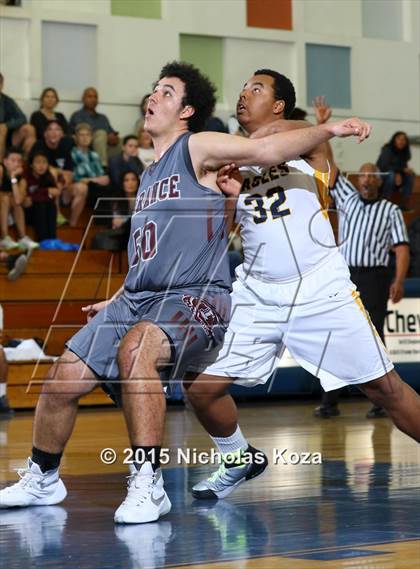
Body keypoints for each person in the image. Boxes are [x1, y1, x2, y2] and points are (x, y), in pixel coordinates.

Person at [0, 61, 370, 523]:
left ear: (186, 110)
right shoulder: (149, 176)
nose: (153, 97)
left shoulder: (196, 147)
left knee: (137, 354)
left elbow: (268, 147)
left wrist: (328, 128)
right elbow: (149, 256)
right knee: (62, 378)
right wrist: (118, 298)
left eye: (167, 92)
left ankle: (149, 484)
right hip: (140, 298)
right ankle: (42, 477)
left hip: (198, 297)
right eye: (153, 89)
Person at [182, 70, 420, 501]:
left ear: (279, 107)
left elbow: (296, 134)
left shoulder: (309, 145)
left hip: (318, 291)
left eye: (256, 89)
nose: (243, 95)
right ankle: (238, 458)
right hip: (259, 294)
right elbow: (219, 233)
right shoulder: (232, 159)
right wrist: (231, 195)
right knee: (201, 391)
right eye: (241, 89)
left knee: (386, 391)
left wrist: (311, 125)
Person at [312, 98, 410, 419]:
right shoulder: (348, 199)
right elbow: (329, 168)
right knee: (336, 334)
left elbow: (401, 248)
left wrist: (398, 280)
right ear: (358, 181)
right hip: (346, 274)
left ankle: (381, 401)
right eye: (363, 176)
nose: (366, 180)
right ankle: (329, 401)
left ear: (379, 181)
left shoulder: (391, 210)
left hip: (376, 276)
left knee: (374, 334)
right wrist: (325, 127)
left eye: (372, 176)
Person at [30, 120, 85, 227]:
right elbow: (39, 167)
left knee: (82, 188)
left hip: (62, 188)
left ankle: (72, 226)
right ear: (45, 133)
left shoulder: (65, 147)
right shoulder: (39, 145)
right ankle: (57, 214)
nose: (54, 132)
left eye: (57, 129)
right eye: (50, 129)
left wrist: (63, 181)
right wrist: (58, 174)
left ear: (62, 134)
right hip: (41, 187)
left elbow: (69, 172)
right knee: (53, 173)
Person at [70, 87, 120, 166]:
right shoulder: (77, 115)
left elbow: (111, 133)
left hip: (104, 145)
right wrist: (103, 135)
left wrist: (113, 137)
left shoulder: (103, 118)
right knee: (101, 134)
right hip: (85, 145)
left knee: (124, 142)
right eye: (90, 96)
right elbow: (78, 134)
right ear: (83, 99)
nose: (93, 99)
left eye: (95, 97)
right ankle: (102, 166)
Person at [0, 147, 38, 250]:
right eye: (13, 160)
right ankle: (4, 238)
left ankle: (22, 237)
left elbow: (18, 200)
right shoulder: (0, 170)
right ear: (5, 161)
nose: (16, 164)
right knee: (5, 197)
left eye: (19, 161)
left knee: (14, 200)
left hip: (10, 210)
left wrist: (13, 178)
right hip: (2, 206)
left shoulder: (22, 179)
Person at [71, 123, 111, 217]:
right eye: (81, 135)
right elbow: (75, 178)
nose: (85, 138)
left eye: (88, 135)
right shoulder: (72, 154)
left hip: (94, 186)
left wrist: (95, 180)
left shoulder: (94, 155)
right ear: (76, 138)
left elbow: (101, 176)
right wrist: (94, 180)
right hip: (78, 187)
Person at [23, 152, 61, 242]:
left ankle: (52, 240)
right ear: (31, 164)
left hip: (45, 211)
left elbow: (54, 194)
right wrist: (46, 191)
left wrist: (37, 195)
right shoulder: (26, 176)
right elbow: (26, 201)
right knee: (40, 205)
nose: (41, 166)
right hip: (28, 214)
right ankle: (43, 241)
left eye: (44, 162)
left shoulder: (48, 176)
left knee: (50, 206)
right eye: (38, 162)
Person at [0, 73, 36, 161]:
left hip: (7, 137)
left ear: (2, 85)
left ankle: (24, 164)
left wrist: (7, 125)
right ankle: (1, 166)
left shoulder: (7, 101)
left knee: (29, 129)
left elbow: (22, 118)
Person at [377, 132, 415, 211]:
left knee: (410, 175)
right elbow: (384, 166)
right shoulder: (387, 149)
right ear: (394, 140)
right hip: (382, 175)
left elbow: (402, 167)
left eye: (404, 139)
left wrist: (403, 171)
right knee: (391, 175)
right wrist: (399, 171)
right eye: (399, 139)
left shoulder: (404, 152)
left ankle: (404, 203)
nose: (401, 141)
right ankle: (384, 203)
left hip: (395, 175)